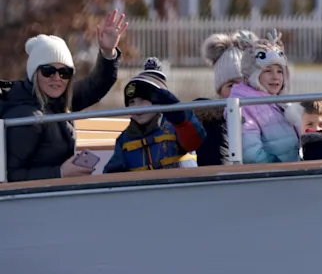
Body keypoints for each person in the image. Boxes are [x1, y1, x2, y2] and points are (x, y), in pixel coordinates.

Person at [1, 10, 127, 182]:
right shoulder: (26, 116)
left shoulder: (58, 101)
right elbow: (10, 176)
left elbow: (95, 86)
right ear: (34, 74)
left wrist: (107, 52)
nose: (57, 78)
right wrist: (60, 173)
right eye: (48, 71)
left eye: (65, 72)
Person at [103, 58, 206, 173]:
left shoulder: (176, 127)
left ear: (159, 101)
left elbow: (194, 141)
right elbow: (112, 173)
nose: (137, 107)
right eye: (131, 102)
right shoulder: (124, 140)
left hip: (181, 188)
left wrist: (181, 119)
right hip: (145, 190)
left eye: (143, 100)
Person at [229, 29, 301, 163]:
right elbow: (250, 153)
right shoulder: (245, 105)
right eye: (267, 71)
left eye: (280, 71)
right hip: (270, 176)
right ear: (253, 75)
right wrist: (277, 166)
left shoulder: (281, 103)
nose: (275, 77)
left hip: (290, 171)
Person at [193, 31, 247, 166]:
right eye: (231, 85)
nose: (238, 90)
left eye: (244, 84)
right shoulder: (211, 125)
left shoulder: (269, 116)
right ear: (220, 92)